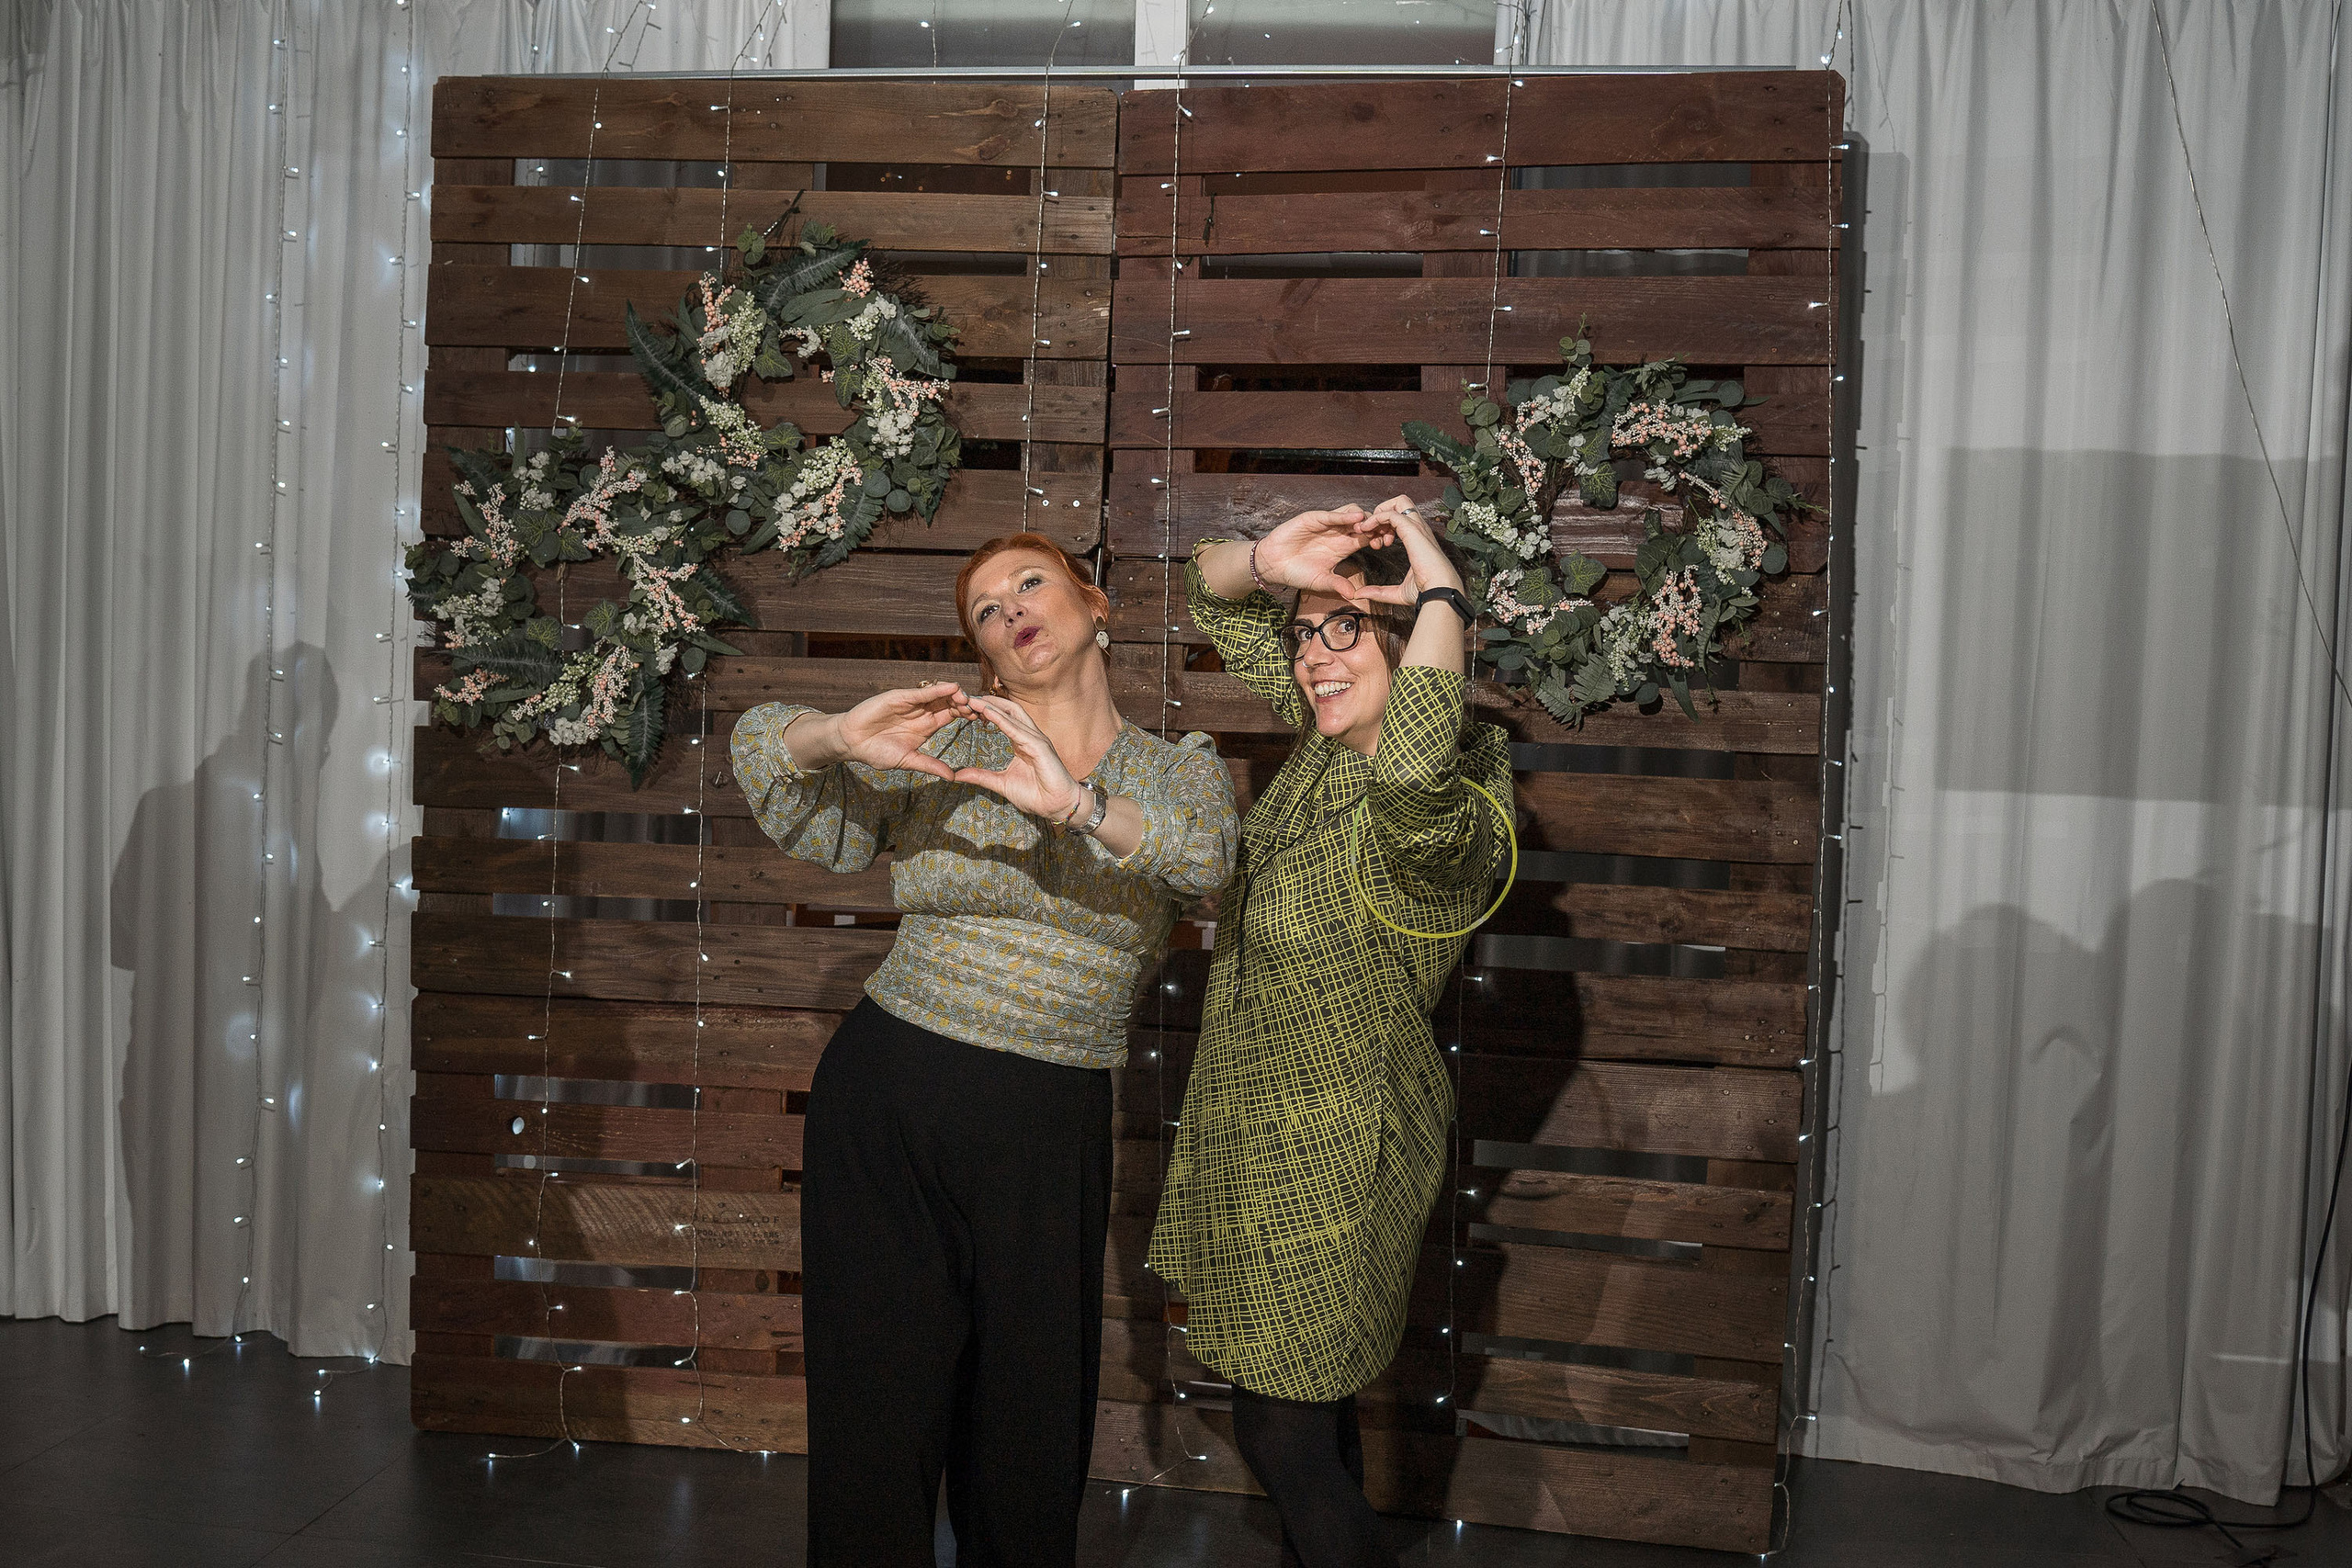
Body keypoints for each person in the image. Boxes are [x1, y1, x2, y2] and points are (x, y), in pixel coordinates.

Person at [729, 533, 1238, 1567]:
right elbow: (776, 777)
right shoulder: (948, 755)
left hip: (1045, 1119)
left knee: (1026, 1426)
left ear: (1097, 607)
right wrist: (834, 735)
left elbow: (1208, 864)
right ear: (987, 661)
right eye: (984, 613)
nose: (1010, 610)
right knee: (877, 1412)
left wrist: (1080, 806)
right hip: (890, 1092)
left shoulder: (1174, 774)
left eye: (1030, 584)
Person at [1147, 497, 1514, 1568]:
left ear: (1411, 643)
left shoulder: (1445, 807)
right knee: (1312, 1417)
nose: (1312, 658)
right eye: (1306, 633)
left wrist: (1441, 589)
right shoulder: (1324, 746)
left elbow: (1412, 767)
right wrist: (1273, 562)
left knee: (1278, 1428)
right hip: (1254, 1129)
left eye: (1344, 630)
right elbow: (1203, 591)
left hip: (1340, 1144)